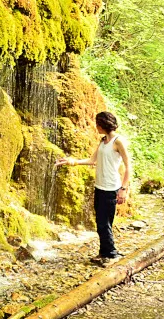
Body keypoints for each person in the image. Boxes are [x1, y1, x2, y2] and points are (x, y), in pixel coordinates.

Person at [55, 111, 132, 265]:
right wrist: (72, 161)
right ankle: (104, 252)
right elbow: (92, 160)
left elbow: (129, 167)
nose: (96, 126)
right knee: (101, 222)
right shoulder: (103, 141)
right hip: (100, 186)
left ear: (103, 124)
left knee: (104, 223)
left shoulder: (118, 142)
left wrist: (123, 189)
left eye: (97, 124)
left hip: (111, 187)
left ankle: (112, 255)